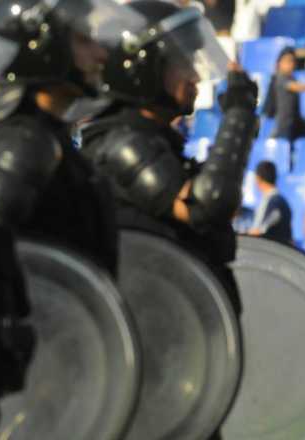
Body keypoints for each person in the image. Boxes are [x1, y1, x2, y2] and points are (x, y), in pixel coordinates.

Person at [0, 0, 145, 425]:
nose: (100, 54)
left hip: (61, 372)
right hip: (36, 385)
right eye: (82, 40)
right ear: (43, 45)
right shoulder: (25, 142)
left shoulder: (49, 139)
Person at [79, 0, 258, 315]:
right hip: (151, 331)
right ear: (143, 68)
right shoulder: (122, 143)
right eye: (183, 62)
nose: (196, 77)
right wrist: (239, 116)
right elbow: (205, 206)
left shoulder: (154, 140)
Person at [262, 47, 305, 141]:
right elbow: (297, 87)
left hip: (295, 122)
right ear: (279, 63)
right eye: (287, 61)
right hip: (284, 124)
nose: (291, 64)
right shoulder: (280, 78)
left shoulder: (292, 78)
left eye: (293, 61)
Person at [247, 161, 293, 246]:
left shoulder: (275, 201)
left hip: (274, 251)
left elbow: (262, 229)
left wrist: (253, 233)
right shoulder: (273, 200)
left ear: (258, 178)